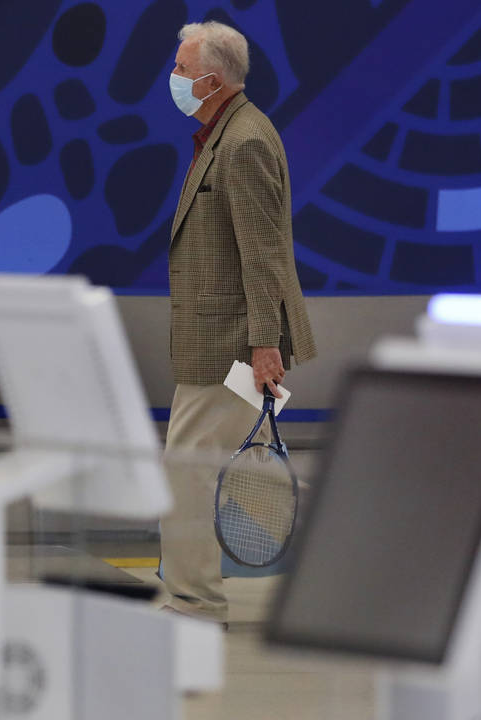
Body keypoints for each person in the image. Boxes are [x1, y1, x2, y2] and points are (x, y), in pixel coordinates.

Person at [158, 21, 317, 624]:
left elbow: (262, 252)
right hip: (213, 342)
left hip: (232, 344)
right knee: (192, 466)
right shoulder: (222, 135)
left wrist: (263, 345)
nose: (173, 79)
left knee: (187, 471)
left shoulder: (245, 140)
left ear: (211, 79)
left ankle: (195, 604)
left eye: (180, 68)